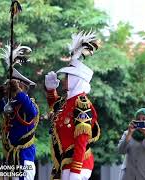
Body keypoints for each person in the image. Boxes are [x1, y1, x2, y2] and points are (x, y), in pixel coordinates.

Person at [45, 31, 101, 180]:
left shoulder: (81, 103)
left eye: (67, 77)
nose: (64, 80)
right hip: (65, 163)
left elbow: (82, 139)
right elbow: (57, 112)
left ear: (77, 79)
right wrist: (51, 90)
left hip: (78, 165)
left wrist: (76, 171)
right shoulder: (68, 101)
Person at [0, 45, 39, 180]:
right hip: (12, 159)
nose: (8, 88)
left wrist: (18, 92)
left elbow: (32, 112)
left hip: (24, 160)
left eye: (11, 86)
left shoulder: (28, 104)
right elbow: (2, 112)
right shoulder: (12, 105)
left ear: (21, 87)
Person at [117, 108, 145, 180]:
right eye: (138, 119)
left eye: (144, 119)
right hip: (128, 176)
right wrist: (129, 134)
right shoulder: (127, 133)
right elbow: (121, 151)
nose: (141, 121)